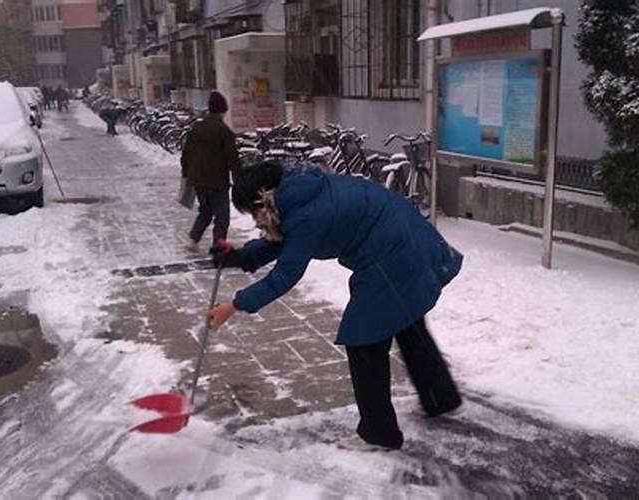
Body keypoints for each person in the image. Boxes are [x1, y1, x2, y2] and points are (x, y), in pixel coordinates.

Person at [207, 161, 463, 451]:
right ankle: (440, 398)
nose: (255, 220)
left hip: (391, 252)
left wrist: (234, 305)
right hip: (408, 239)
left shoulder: (304, 212)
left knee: (364, 339)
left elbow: (285, 273)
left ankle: (379, 433)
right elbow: (286, 239)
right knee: (406, 320)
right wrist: (239, 257)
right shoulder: (299, 194)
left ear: (263, 198)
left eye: (253, 212)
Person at [180, 91, 239, 252]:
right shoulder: (223, 130)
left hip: (198, 180)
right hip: (217, 181)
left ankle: (193, 239)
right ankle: (218, 245)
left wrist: (186, 174)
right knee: (222, 216)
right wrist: (239, 178)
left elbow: (186, 154)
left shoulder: (196, 128)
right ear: (222, 110)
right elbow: (232, 157)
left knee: (205, 211)